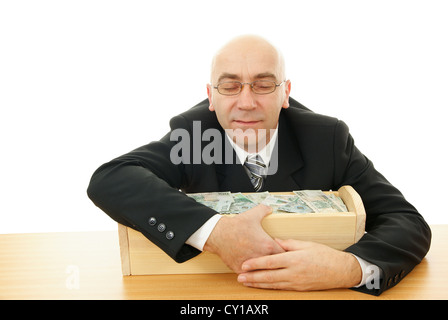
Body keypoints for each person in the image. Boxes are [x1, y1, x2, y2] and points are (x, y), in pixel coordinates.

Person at [87, 35, 431, 295]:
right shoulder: (193, 135)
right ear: (211, 95)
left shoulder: (326, 139)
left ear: (285, 93)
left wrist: (347, 268)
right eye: (230, 85)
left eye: (264, 85)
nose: (246, 102)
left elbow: (408, 222)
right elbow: (112, 179)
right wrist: (217, 233)